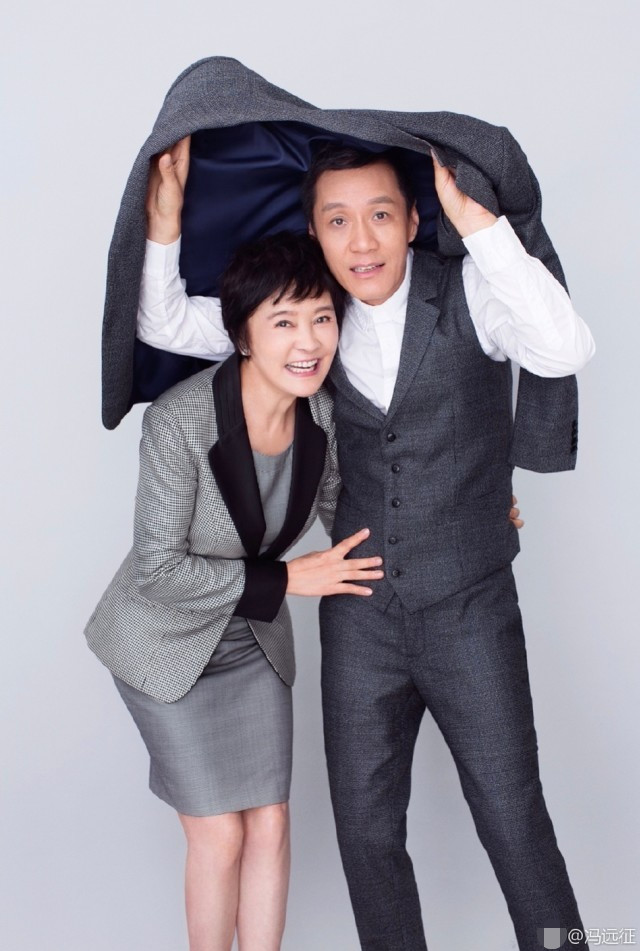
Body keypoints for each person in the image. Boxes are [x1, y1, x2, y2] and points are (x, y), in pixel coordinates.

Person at [135, 136, 593, 950]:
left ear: (413, 219)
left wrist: (480, 227)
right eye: (337, 221)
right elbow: (167, 322)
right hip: (359, 615)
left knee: (513, 816)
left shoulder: (474, 290)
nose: (361, 240)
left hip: (471, 607)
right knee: (366, 832)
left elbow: (564, 347)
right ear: (315, 233)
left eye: (380, 215)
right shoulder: (314, 319)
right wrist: (165, 222)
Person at [84, 231, 392, 951]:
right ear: (244, 336)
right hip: (162, 643)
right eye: (283, 321)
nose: (308, 341)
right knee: (220, 833)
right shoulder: (179, 421)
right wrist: (286, 579)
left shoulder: (322, 416)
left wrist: (471, 509)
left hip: (251, 642)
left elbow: (356, 517)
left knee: (272, 824)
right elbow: (158, 568)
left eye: (321, 317)